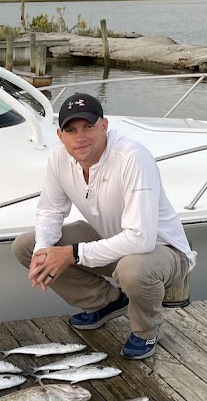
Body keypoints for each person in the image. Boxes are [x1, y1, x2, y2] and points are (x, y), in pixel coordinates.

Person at [13, 93, 195, 360]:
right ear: (60, 135)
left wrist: (72, 254)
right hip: (112, 241)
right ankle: (107, 303)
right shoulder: (58, 158)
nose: (81, 137)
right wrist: (43, 252)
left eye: (89, 127)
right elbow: (51, 210)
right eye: (71, 130)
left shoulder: (132, 157)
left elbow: (141, 240)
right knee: (27, 246)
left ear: (104, 126)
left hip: (163, 252)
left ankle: (147, 331)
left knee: (132, 268)